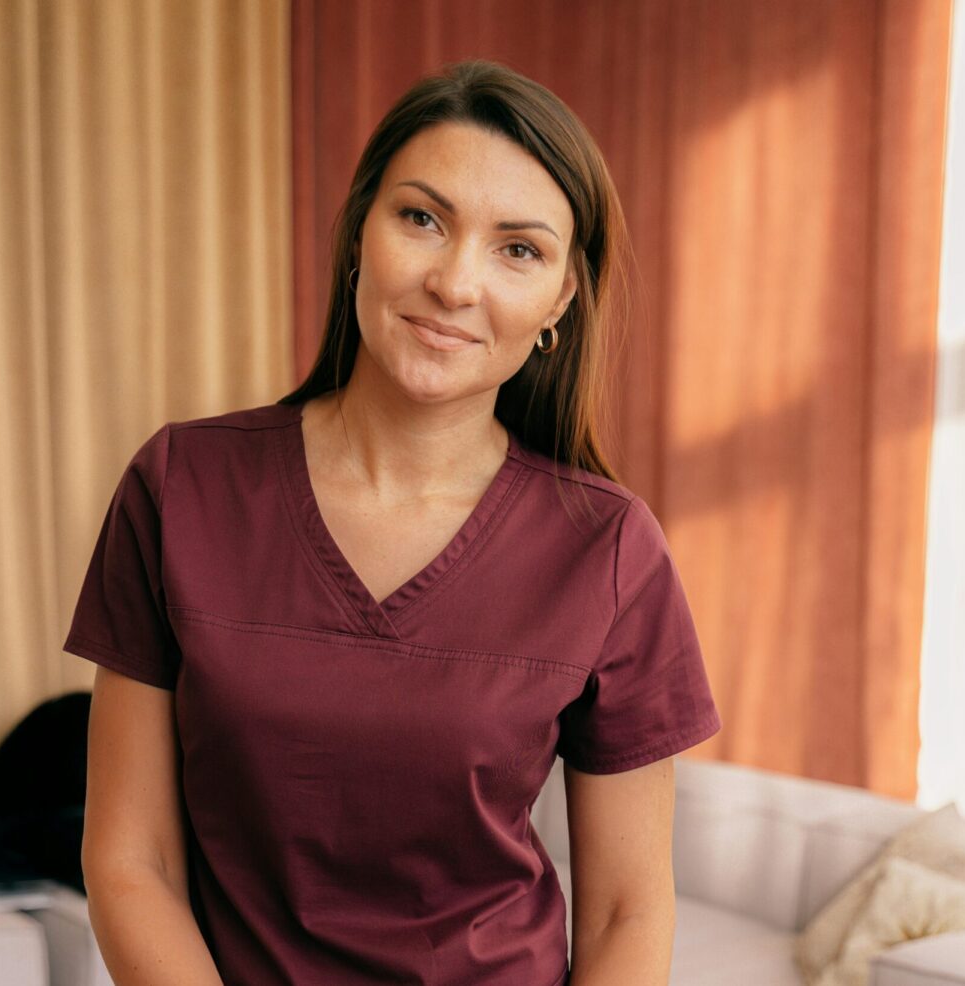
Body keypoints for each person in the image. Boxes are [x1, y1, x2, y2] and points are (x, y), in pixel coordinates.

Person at [64, 58, 721, 986]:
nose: (455, 283)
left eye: (518, 250)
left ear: (559, 305)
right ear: (358, 235)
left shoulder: (608, 548)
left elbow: (627, 910)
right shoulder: (180, 485)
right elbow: (132, 862)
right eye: (422, 218)